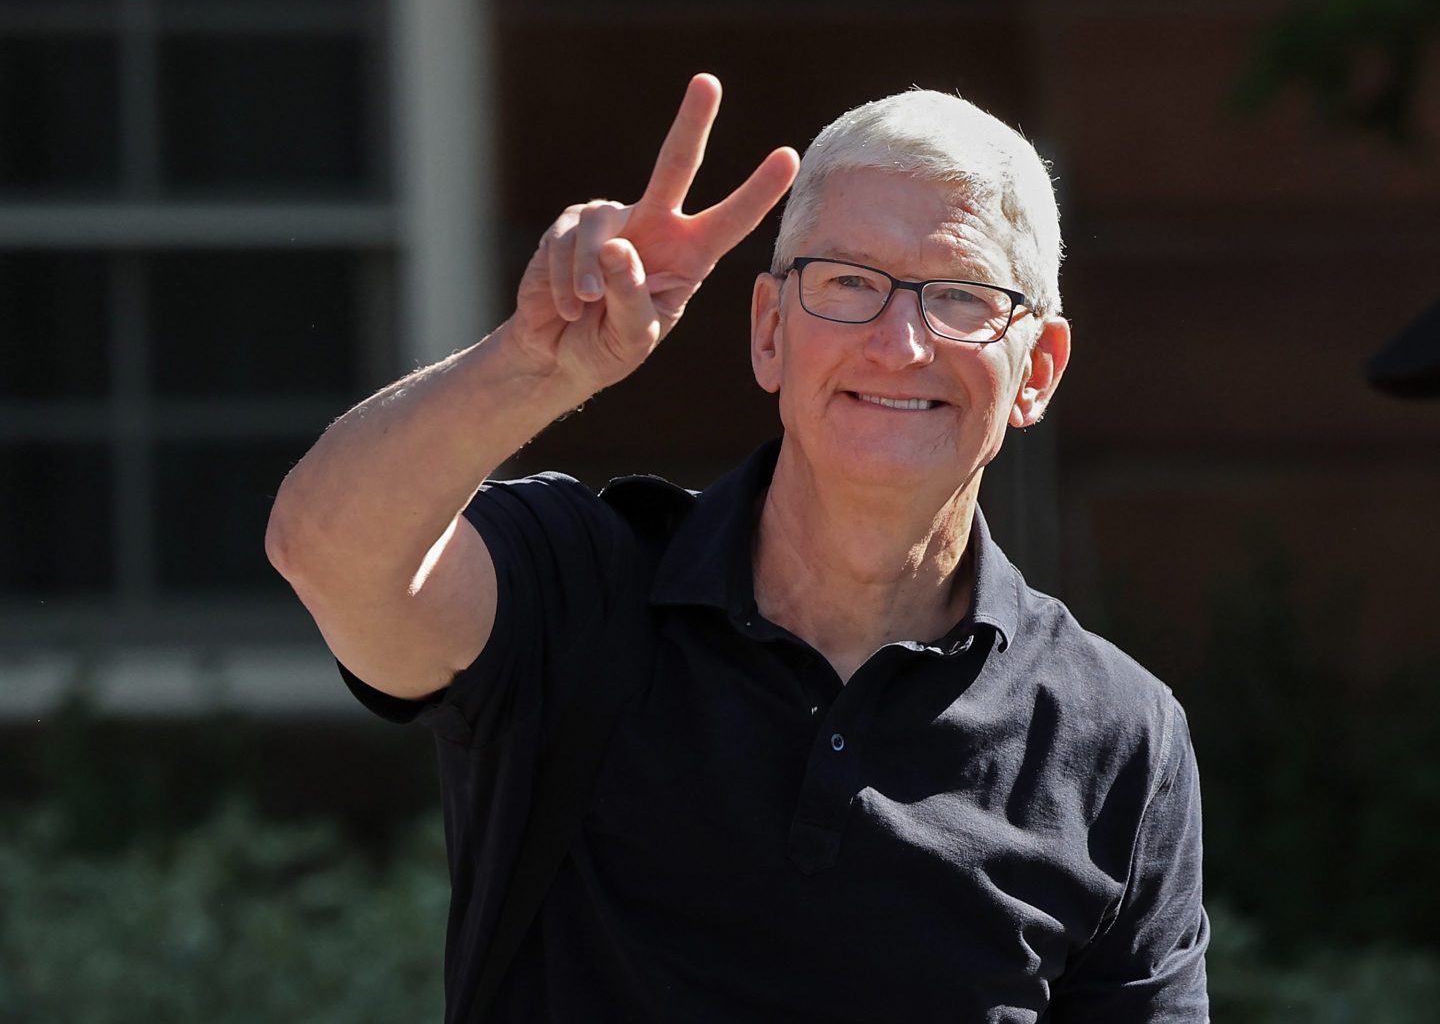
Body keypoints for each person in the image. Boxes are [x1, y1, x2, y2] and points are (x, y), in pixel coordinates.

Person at [267, 73, 1209, 1022]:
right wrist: (532, 363)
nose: (899, 342)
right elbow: (325, 548)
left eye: (960, 297)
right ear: (768, 331)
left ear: (1037, 370)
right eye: (848, 282)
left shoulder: (1118, 738)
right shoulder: (582, 585)